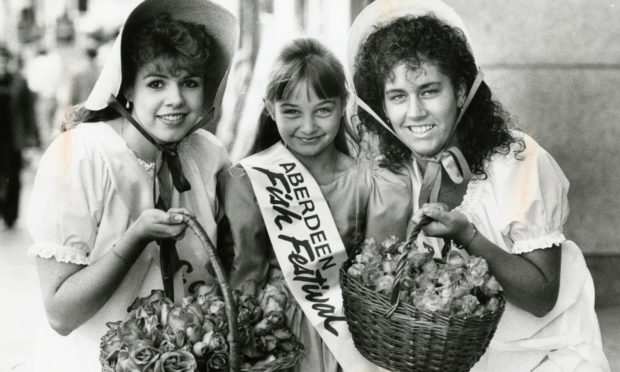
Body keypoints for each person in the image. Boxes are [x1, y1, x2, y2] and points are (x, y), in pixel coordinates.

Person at [347, 0, 610, 371]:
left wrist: (469, 236)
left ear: (459, 91)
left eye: (428, 90)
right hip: (467, 359)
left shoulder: (520, 161)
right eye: (398, 96)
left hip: (547, 356)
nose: (415, 112)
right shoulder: (406, 171)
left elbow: (541, 298)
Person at [26, 1, 238, 371]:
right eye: (156, 83)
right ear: (126, 89)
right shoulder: (82, 154)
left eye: (190, 82)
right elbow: (60, 315)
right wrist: (133, 239)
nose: (175, 98)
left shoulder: (209, 154)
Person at [218, 38, 411, 371]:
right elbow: (244, 276)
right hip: (274, 336)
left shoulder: (372, 182)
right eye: (291, 112)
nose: (308, 127)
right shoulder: (248, 181)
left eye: (322, 110)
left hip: (349, 337)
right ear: (269, 107)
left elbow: (381, 277)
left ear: (342, 105)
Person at [0, 44, 39, 229]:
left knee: (13, 177)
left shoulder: (19, 81)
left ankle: (11, 215)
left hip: (12, 139)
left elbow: (28, 112)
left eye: (3, 59)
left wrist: (30, 139)